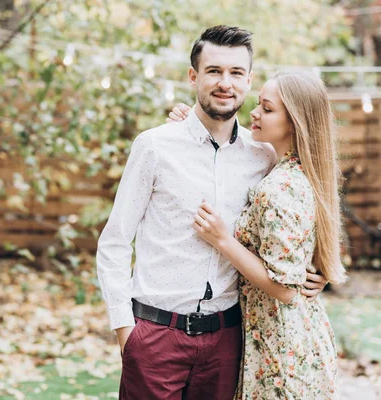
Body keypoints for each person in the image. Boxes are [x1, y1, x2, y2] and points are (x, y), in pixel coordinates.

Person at [96, 25, 327, 399]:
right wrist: (126, 331)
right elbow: (115, 242)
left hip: (227, 340)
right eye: (214, 71)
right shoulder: (155, 146)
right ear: (193, 76)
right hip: (155, 334)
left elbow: (298, 218)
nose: (226, 83)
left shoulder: (264, 155)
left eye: (236, 73)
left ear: (249, 80)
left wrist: (318, 270)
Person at [168, 71, 346, 399]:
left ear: (294, 122)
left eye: (266, 108)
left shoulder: (280, 188)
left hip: (283, 352)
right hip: (285, 343)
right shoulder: (288, 170)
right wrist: (189, 119)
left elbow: (285, 288)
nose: (254, 112)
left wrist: (223, 240)